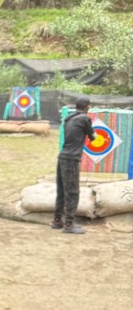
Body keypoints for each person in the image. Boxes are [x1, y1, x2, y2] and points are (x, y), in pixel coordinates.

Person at [52, 96, 96, 234]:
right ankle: (69, 224)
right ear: (87, 106)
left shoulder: (69, 118)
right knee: (72, 192)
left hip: (62, 157)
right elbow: (93, 137)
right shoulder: (84, 118)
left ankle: (57, 220)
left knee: (61, 190)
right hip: (71, 160)